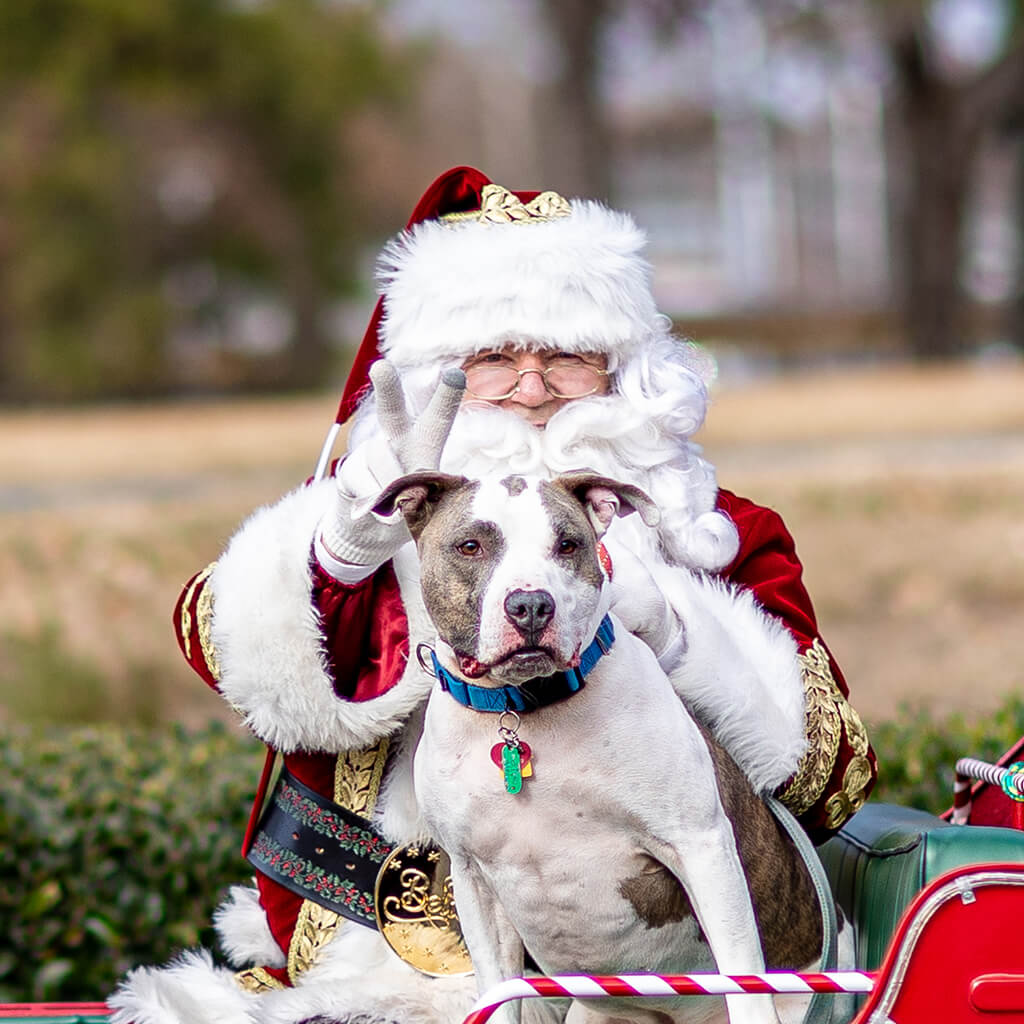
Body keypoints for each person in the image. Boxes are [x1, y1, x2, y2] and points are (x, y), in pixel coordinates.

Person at [110, 166, 876, 1024]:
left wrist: (672, 627)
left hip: (663, 964)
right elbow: (219, 649)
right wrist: (344, 545)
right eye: (493, 357)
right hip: (398, 947)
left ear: (626, 372)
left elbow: (831, 778)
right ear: (438, 372)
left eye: (567, 355)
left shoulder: (714, 529)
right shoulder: (385, 499)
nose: (532, 387)